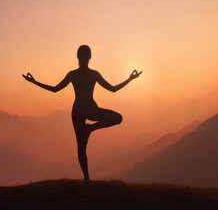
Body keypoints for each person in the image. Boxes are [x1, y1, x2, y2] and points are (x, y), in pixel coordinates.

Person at [22, 45, 142, 182]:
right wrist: (130, 79)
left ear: (77, 56)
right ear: (90, 57)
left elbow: (54, 89)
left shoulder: (73, 74)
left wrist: (33, 82)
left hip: (78, 111)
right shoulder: (93, 74)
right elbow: (113, 89)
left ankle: (86, 177)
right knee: (117, 118)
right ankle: (90, 129)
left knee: (81, 147)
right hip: (90, 109)